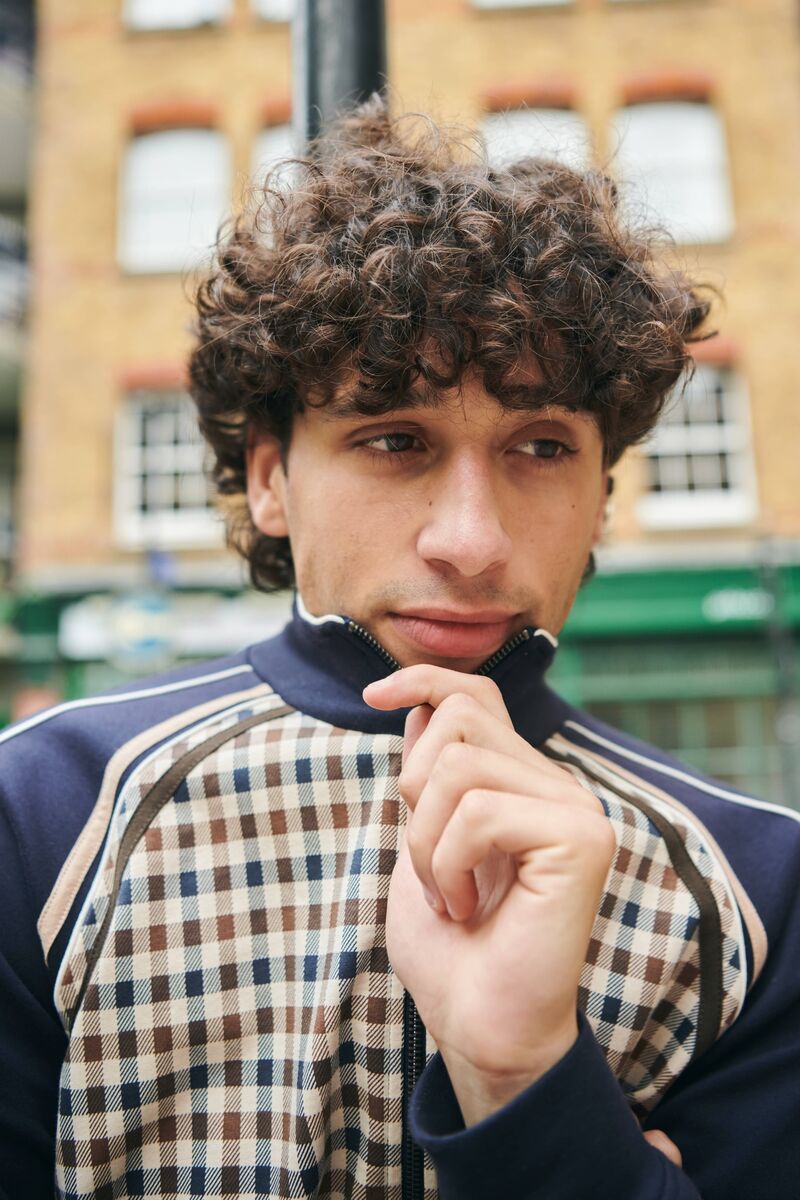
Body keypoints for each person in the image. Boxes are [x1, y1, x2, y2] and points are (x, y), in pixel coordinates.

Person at [1, 101, 799, 1200]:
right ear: (271, 479)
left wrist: (524, 1074)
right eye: (393, 440)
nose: (470, 541)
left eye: (540, 447)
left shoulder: (761, 887)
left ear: (602, 495)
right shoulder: (40, 815)